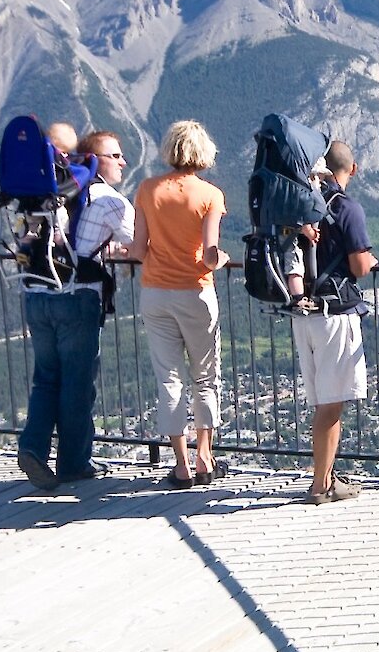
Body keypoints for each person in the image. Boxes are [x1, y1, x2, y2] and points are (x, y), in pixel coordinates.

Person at [18, 128, 134, 489]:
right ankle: (73, 463)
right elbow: (139, 245)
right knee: (77, 383)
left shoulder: (47, 194)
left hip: (37, 292)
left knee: (46, 378)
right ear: (97, 159)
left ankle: (33, 447)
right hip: (77, 295)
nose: (123, 162)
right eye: (115, 155)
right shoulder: (110, 201)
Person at [133, 120, 230, 489]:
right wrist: (222, 260)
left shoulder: (146, 190)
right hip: (196, 293)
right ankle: (205, 455)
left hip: (155, 294)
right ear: (202, 152)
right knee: (204, 376)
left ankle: (181, 465)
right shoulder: (209, 194)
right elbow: (208, 257)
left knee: (168, 379)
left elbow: (139, 250)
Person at [292, 139, 376, 504]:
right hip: (335, 314)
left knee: (322, 401)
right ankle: (320, 486)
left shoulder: (302, 205)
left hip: (303, 311)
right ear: (352, 169)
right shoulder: (347, 209)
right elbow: (359, 266)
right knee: (332, 405)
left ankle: (325, 476)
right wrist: (370, 261)